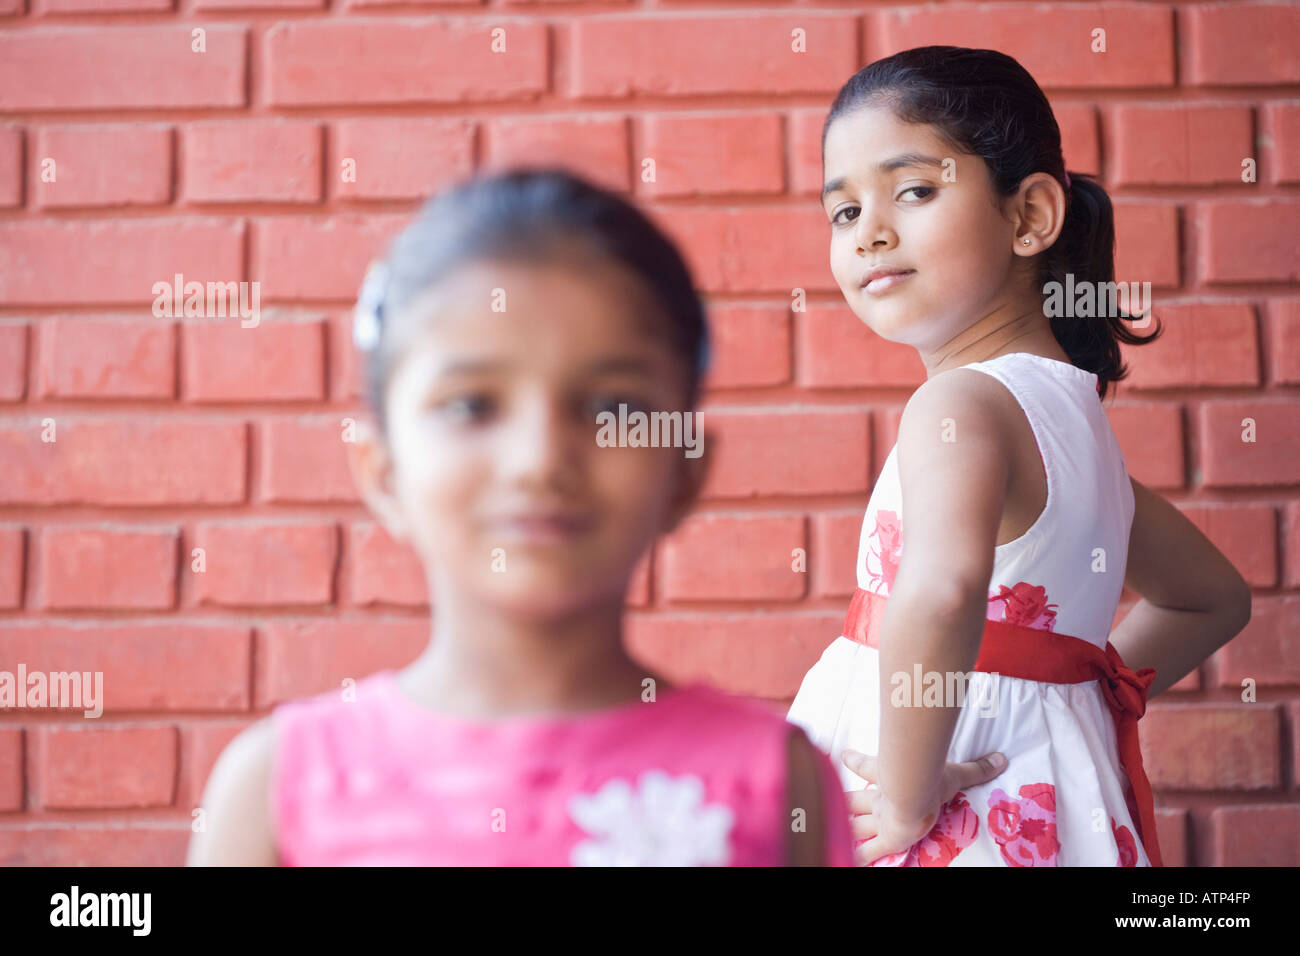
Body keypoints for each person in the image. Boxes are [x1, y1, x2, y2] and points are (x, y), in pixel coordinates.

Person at [187, 169, 856, 866]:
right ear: (383, 472)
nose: (539, 461)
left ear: (685, 471)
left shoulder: (777, 780)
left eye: (612, 410)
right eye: (472, 405)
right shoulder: (280, 788)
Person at [788, 46, 1253, 866]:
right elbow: (1210, 598)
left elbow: (939, 594)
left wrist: (902, 796)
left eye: (914, 190)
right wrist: (1068, 697)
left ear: (1030, 215)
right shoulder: (1076, 436)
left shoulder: (957, 403)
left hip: (942, 816)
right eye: (845, 212)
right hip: (1050, 804)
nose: (872, 233)